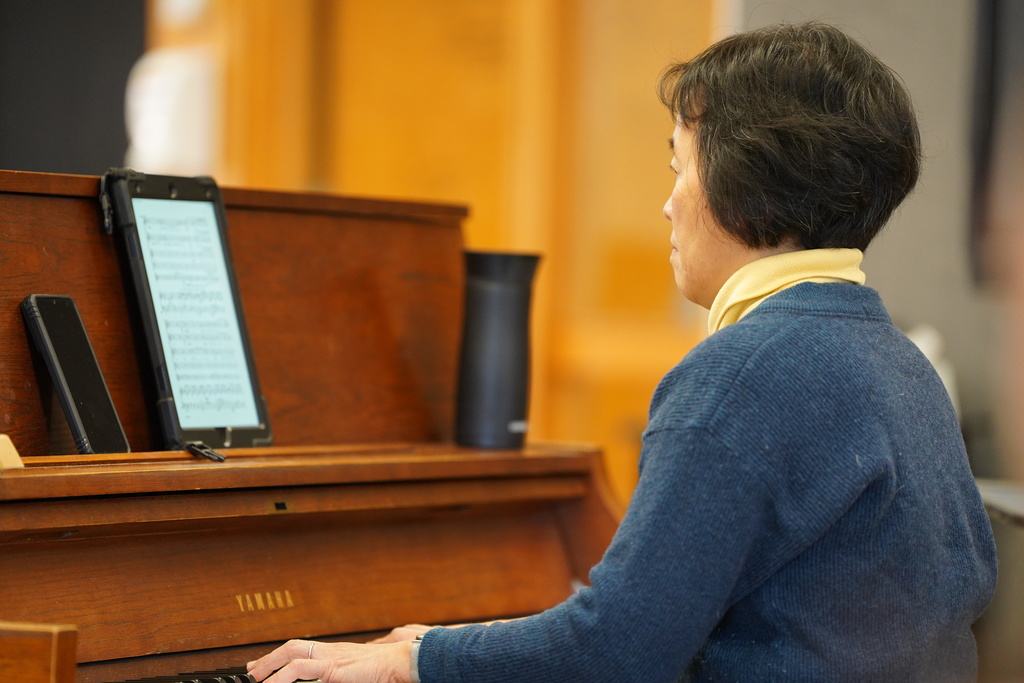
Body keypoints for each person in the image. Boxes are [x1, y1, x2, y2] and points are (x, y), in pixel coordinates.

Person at [247, 21, 997, 682]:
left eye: (680, 166)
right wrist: (467, 644)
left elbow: (615, 652)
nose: (669, 202)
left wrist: (414, 658)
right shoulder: (903, 363)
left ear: (744, 181)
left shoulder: (741, 373)